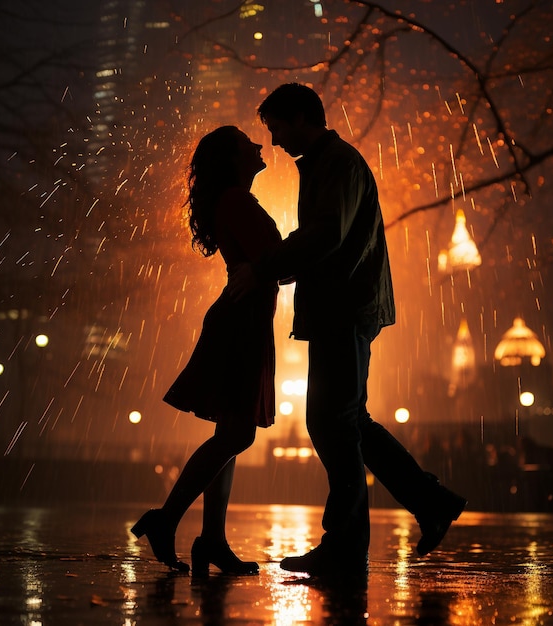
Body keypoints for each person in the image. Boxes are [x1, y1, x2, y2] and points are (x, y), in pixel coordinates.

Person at [229, 83, 466, 578]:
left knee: (331, 423)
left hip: (343, 307)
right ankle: (428, 501)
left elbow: (325, 234)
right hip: (347, 305)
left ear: (299, 118)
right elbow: (325, 235)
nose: (273, 142)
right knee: (349, 421)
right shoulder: (330, 162)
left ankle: (347, 542)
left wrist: (269, 265)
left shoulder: (335, 163)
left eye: (275, 128)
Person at [132, 126, 282, 575]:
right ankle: (166, 519)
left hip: (243, 320)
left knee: (229, 435)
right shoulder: (237, 202)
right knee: (238, 435)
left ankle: (212, 540)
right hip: (241, 323)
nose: (257, 146)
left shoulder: (234, 201)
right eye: (246, 144)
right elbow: (276, 259)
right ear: (233, 160)